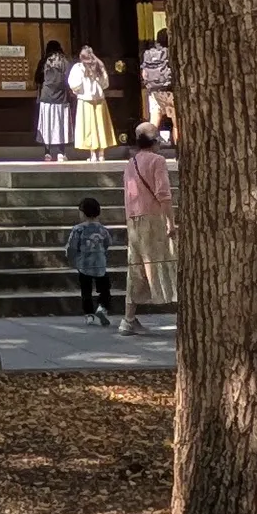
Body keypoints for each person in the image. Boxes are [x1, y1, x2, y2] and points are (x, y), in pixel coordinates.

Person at [118, 128, 176, 330]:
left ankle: (128, 317)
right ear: (153, 142)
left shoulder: (130, 163)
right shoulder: (157, 161)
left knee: (136, 266)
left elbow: (128, 195)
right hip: (153, 217)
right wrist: (170, 221)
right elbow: (163, 193)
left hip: (134, 219)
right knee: (167, 260)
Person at [64, 193, 115, 327]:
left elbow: (72, 247)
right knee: (105, 290)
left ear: (82, 213)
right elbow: (108, 243)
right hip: (100, 265)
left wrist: (71, 258)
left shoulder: (78, 229)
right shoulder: (103, 230)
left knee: (86, 291)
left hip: (84, 265)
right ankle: (102, 309)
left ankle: (89, 315)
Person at [69, 42, 115, 158]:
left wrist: (77, 91)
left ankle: (92, 154)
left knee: (89, 127)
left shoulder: (78, 67)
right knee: (101, 126)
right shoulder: (100, 66)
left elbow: (75, 85)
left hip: (85, 100)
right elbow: (105, 84)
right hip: (99, 100)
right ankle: (101, 153)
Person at [33, 41, 74, 161]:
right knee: (61, 125)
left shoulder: (44, 61)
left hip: (46, 97)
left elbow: (37, 78)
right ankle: (61, 152)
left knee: (47, 125)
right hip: (61, 97)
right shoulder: (64, 62)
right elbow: (69, 79)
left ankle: (47, 152)